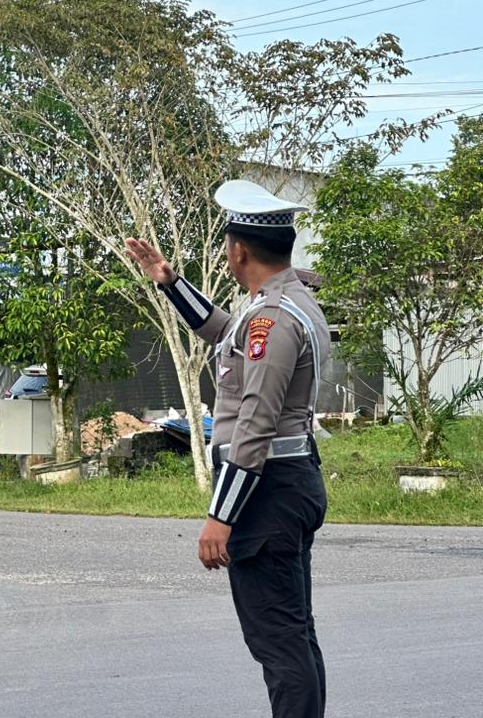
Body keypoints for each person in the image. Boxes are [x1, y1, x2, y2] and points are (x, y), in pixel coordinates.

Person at [125, 179, 328, 718]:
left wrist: (221, 515)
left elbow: (255, 426)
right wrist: (169, 282)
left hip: (268, 494)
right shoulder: (281, 302)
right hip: (289, 483)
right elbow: (223, 332)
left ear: (239, 251)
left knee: (279, 644)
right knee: (292, 634)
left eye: (227, 248)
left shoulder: (272, 319)